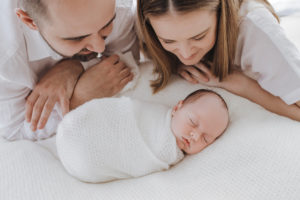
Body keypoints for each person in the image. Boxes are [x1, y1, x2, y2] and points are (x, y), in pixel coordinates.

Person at [136, 0, 300, 121]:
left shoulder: (256, 31)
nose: (186, 55)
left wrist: (238, 82)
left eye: (198, 37)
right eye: (168, 41)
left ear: (221, 13)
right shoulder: (143, 24)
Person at [0, 0, 139, 141]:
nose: (100, 48)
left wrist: (75, 67)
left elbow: (127, 61)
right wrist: (77, 100)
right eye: (78, 39)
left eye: (107, 26)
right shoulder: (6, 60)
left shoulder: (120, 7)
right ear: (30, 21)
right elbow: (14, 133)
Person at [56, 89, 229, 183]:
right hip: (91, 126)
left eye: (206, 139)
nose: (195, 136)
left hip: (88, 163)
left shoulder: (175, 154)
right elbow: (126, 114)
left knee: (89, 160)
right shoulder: (154, 114)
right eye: (192, 121)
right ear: (177, 108)